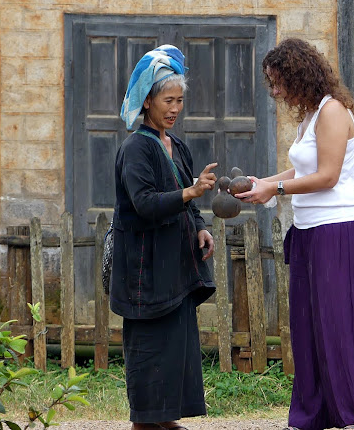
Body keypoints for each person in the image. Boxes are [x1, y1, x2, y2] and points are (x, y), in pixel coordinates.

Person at [235, 38, 354, 430]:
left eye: (278, 81)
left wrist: (276, 190)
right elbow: (303, 170)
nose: (275, 91)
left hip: (337, 229)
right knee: (307, 322)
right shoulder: (310, 115)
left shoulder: (333, 112)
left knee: (336, 322)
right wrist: (262, 182)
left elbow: (328, 176)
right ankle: (315, 413)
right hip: (307, 230)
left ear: (299, 74)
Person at [110, 44, 218, 430]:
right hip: (145, 272)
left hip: (174, 270)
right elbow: (144, 204)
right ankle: (146, 422)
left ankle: (164, 420)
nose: (175, 108)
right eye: (168, 100)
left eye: (180, 100)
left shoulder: (178, 146)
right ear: (148, 101)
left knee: (175, 350)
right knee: (149, 350)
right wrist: (191, 192)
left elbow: (187, 200)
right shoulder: (136, 148)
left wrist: (201, 225)